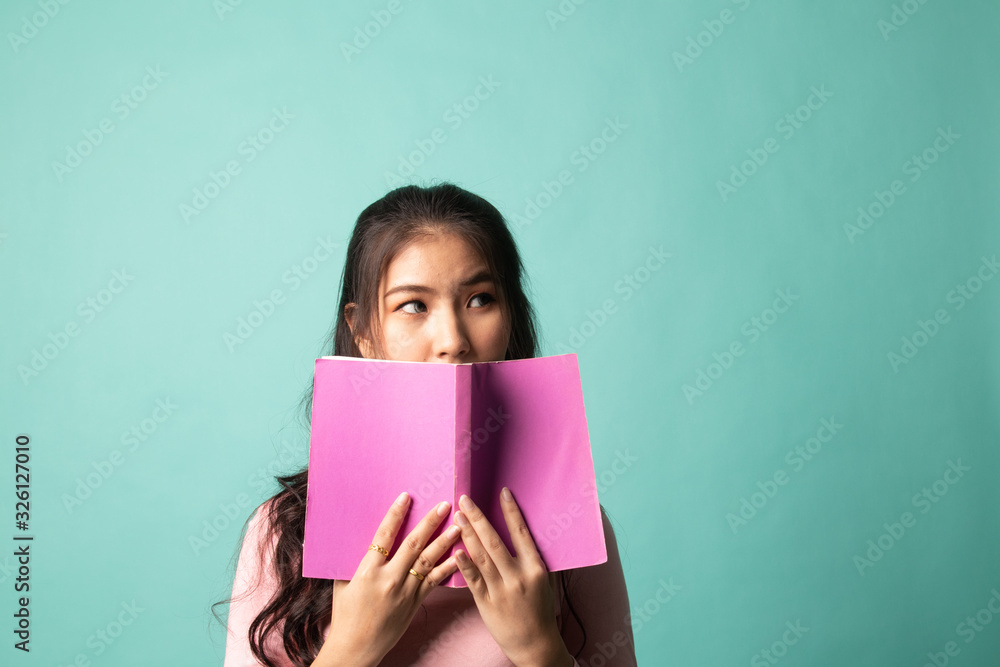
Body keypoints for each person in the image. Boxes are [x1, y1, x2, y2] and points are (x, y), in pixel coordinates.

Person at [218, 183, 637, 666]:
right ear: (363, 332)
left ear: (511, 319)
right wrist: (353, 645)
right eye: (413, 305)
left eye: (480, 299)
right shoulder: (282, 534)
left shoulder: (577, 529)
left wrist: (537, 645)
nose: (452, 340)